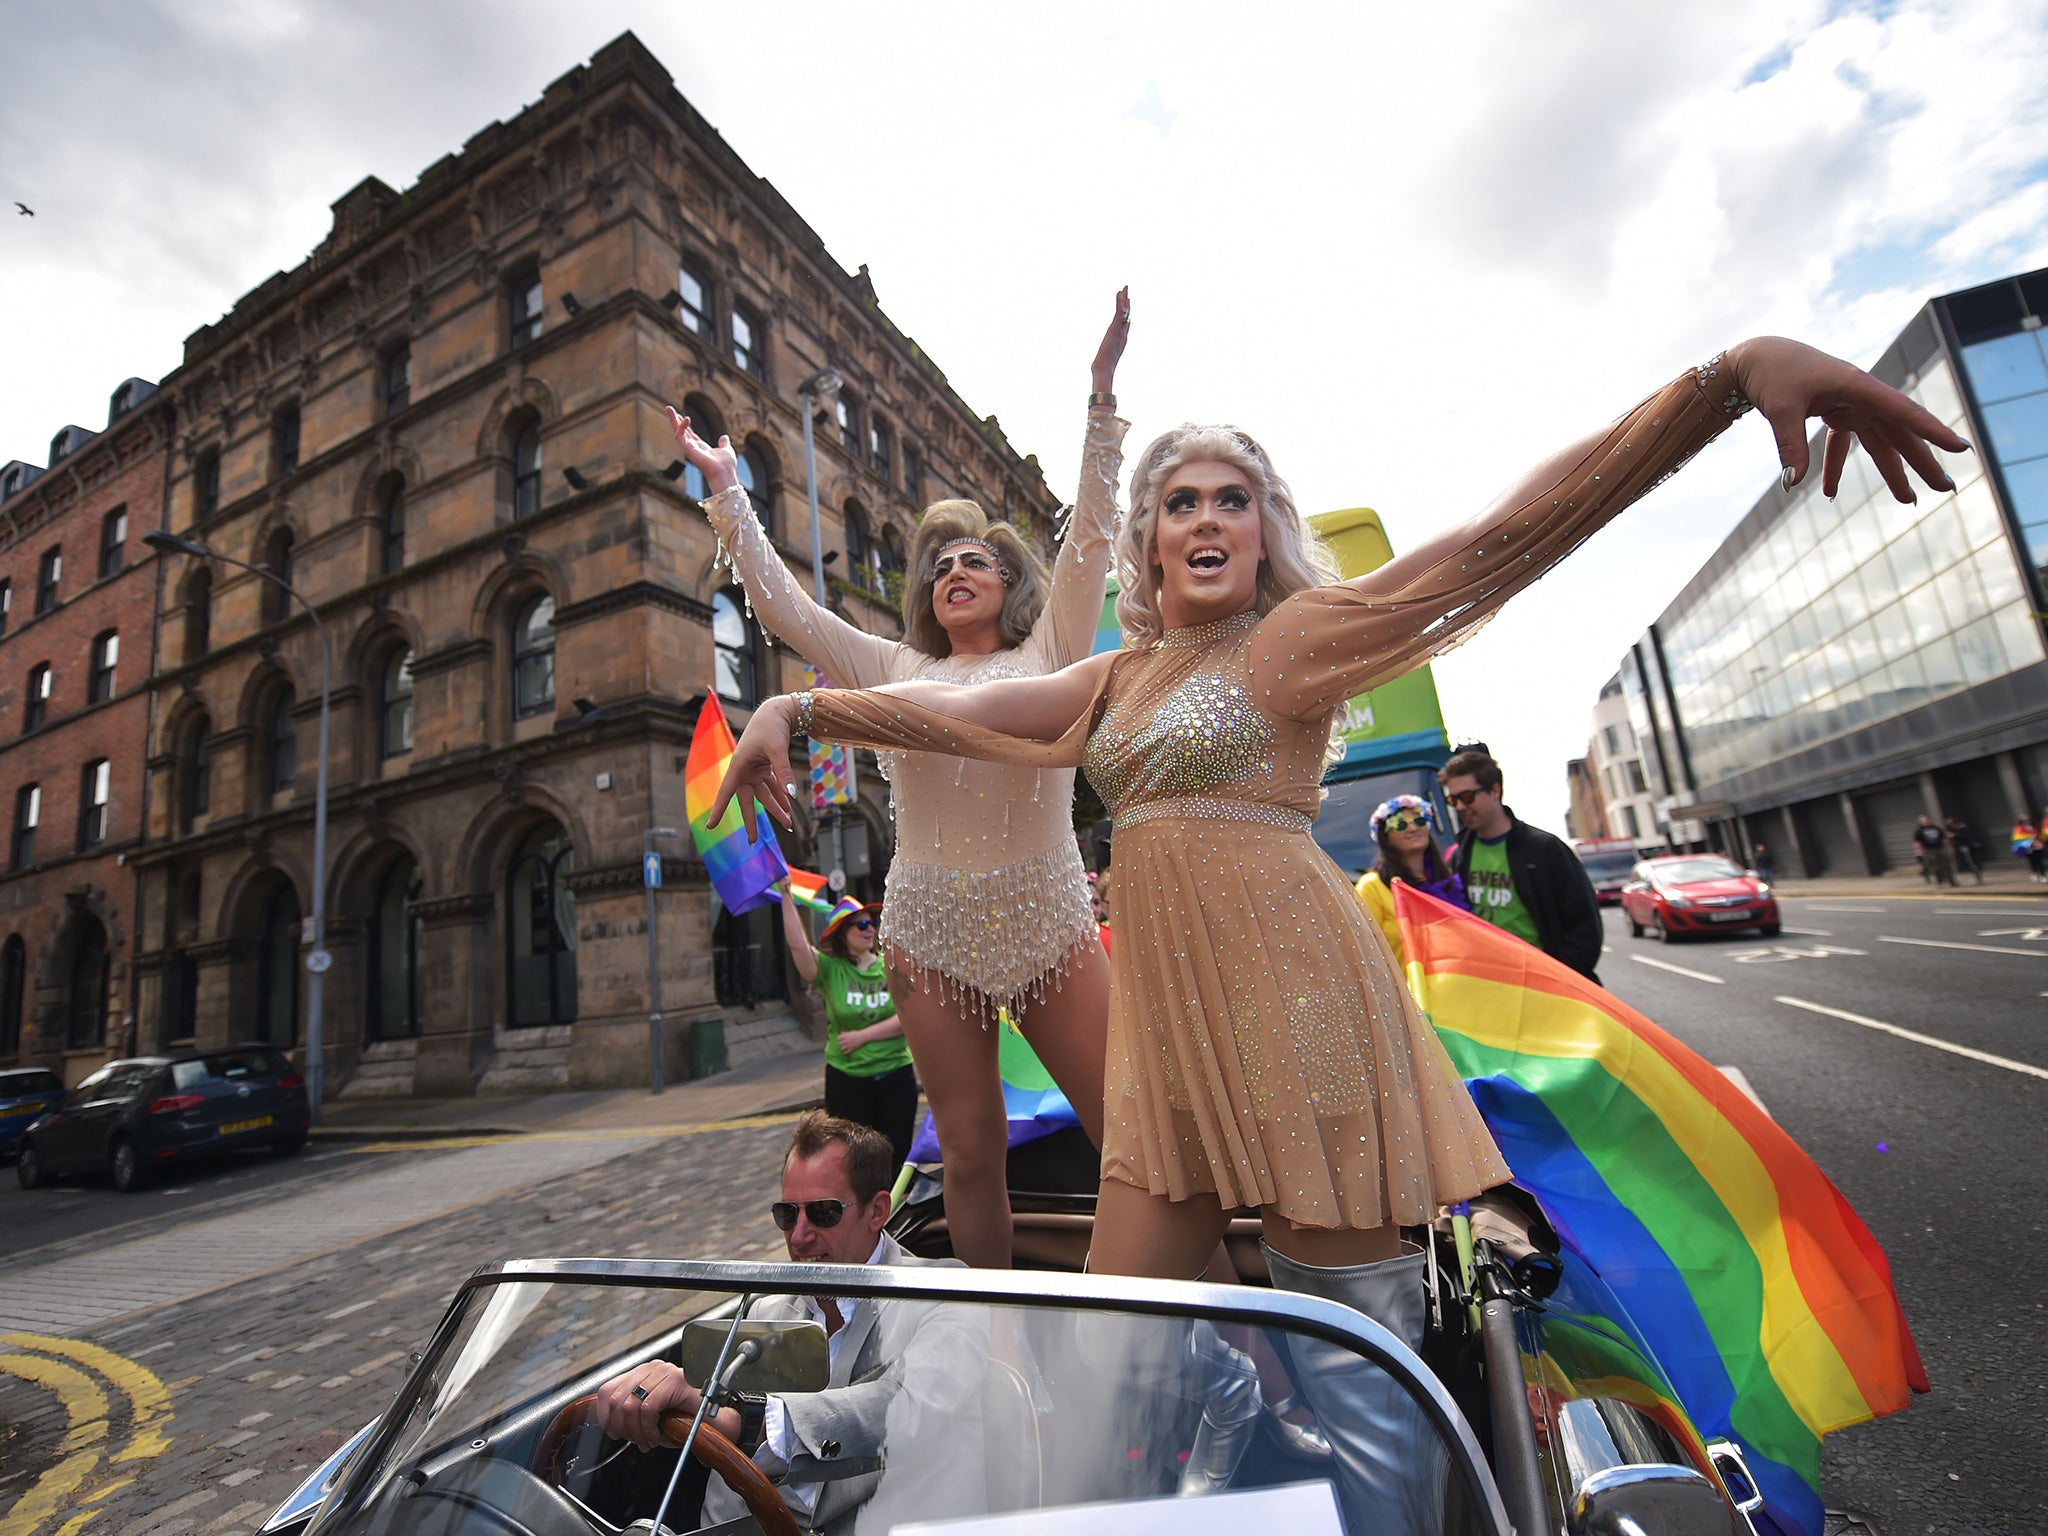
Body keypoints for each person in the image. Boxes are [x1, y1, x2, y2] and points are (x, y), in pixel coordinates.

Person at [709, 335, 1961, 1523]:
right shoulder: (1114, 680)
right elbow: (974, 714)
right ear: (1146, 544)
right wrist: (802, 710)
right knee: (1105, 1361)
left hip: (1298, 1022)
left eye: (1233, 499)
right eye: (1181, 501)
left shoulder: (1295, 640)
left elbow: (1493, 542)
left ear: (1263, 534)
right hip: (1169, 1057)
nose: (1206, 518)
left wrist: (1726, 382)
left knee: (1356, 1381)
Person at [671, 293, 1131, 1269]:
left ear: (1011, 587)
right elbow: (788, 612)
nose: (954, 573)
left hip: (1048, 917)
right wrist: (725, 491)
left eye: (976, 562)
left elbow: (1088, 540)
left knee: (1125, 1141)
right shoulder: (893, 670)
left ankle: (1174, 1324)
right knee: (967, 1151)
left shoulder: (1051, 650)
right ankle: (1001, 1345)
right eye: (940, 568)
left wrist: (1098, 407)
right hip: (930, 934)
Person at [596, 1112, 985, 1535]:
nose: (798, 1237)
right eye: (787, 1214)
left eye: (822, 1213)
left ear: (876, 1212)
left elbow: (901, 1410)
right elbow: (726, 1499)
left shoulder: (941, 1295)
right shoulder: (768, 1310)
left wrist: (743, 1422)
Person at [1439, 749, 1604, 983]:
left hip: (1546, 985)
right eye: (1452, 800)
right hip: (1491, 985)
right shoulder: (1459, 856)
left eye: (1467, 797)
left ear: (1495, 790)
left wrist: (1562, 979)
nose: (1460, 807)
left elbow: (1584, 925)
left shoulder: (1544, 849)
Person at [783, 889, 918, 1171]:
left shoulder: (891, 966)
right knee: (853, 1166)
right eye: (861, 924)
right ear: (843, 934)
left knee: (896, 1160)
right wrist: (785, 893)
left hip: (896, 1076)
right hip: (847, 1082)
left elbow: (910, 1017)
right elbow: (798, 947)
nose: (870, 929)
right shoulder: (831, 970)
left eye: (872, 922)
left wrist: (862, 1036)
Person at [1353, 794, 1469, 969]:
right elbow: (1363, 951)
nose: (1413, 828)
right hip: (1404, 992)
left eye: (1420, 820)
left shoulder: (1446, 881)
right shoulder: (1371, 886)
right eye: (1400, 825)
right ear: (1386, 838)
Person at [1912, 814, 1955, 886]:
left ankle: (1951, 881)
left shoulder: (1936, 828)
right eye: (1924, 821)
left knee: (1946, 864)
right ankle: (1940, 881)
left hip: (1940, 847)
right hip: (1929, 849)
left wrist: (1949, 847)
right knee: (1935, 866)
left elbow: (1945, 838)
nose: (1926, 821)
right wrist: (1918, 851)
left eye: (1926, 820)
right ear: (1921, 822)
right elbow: (1917, 842)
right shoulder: (1919, 830)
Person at [1943, 816, 1984, 885]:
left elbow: (1964, 837)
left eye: (1951, 825)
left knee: (1972, 863)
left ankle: (1979, 879)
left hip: (1967, 847)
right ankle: (1978, 878)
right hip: (1962, 847)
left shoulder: (1962, 829)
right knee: (1970, 863)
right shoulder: (1955, 830)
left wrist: (1954, 836)